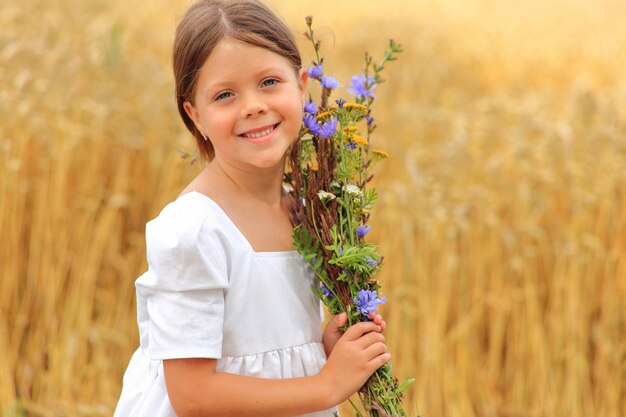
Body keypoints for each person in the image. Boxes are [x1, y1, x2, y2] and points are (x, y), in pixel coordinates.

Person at [113, 1, 390, 416]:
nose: (252, 106)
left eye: (269, 82)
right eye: (225, 94)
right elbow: (192, 395)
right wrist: (327, 384)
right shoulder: (194, 230)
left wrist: (321, 349)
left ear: (301, 86)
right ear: (195, 115)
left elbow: (265, 345)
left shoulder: (306, 212)